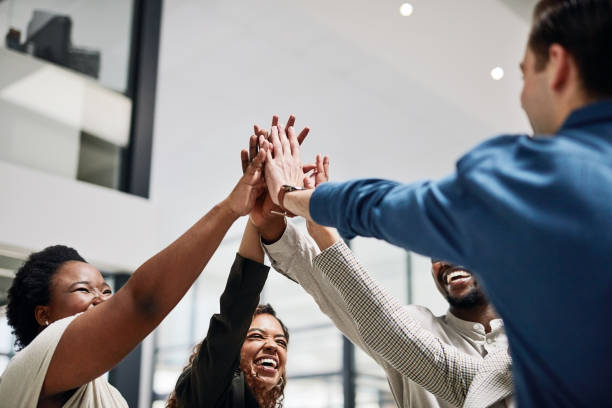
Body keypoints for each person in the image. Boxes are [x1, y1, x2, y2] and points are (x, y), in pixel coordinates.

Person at [260, 1, 612, 406]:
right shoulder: (516, 354)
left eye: (524, 74)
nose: (521, 96)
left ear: (558, 65)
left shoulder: (525, 177)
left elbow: (382, 206)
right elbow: (442, 363)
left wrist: (291, 194)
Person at [0, 142, 269, 407]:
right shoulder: (28, 368)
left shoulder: (111, 398)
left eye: (106, 291)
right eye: (83, 290)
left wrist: (259, 219)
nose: (102, 300)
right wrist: (230, 209)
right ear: (43, 315)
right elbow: (142, 303)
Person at [260, 154, 513, 407]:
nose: (445, 259)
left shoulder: (532, 347)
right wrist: (272, 222)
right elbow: (338, 294)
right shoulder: (419, 325)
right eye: (435, 251)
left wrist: (299, 201)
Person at [166, 148, 291, 408]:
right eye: (256, 336)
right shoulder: (211, 390)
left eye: (280, 341)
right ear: (233, 350)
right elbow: (236, 309)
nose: (271, 345)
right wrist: (259, 210)